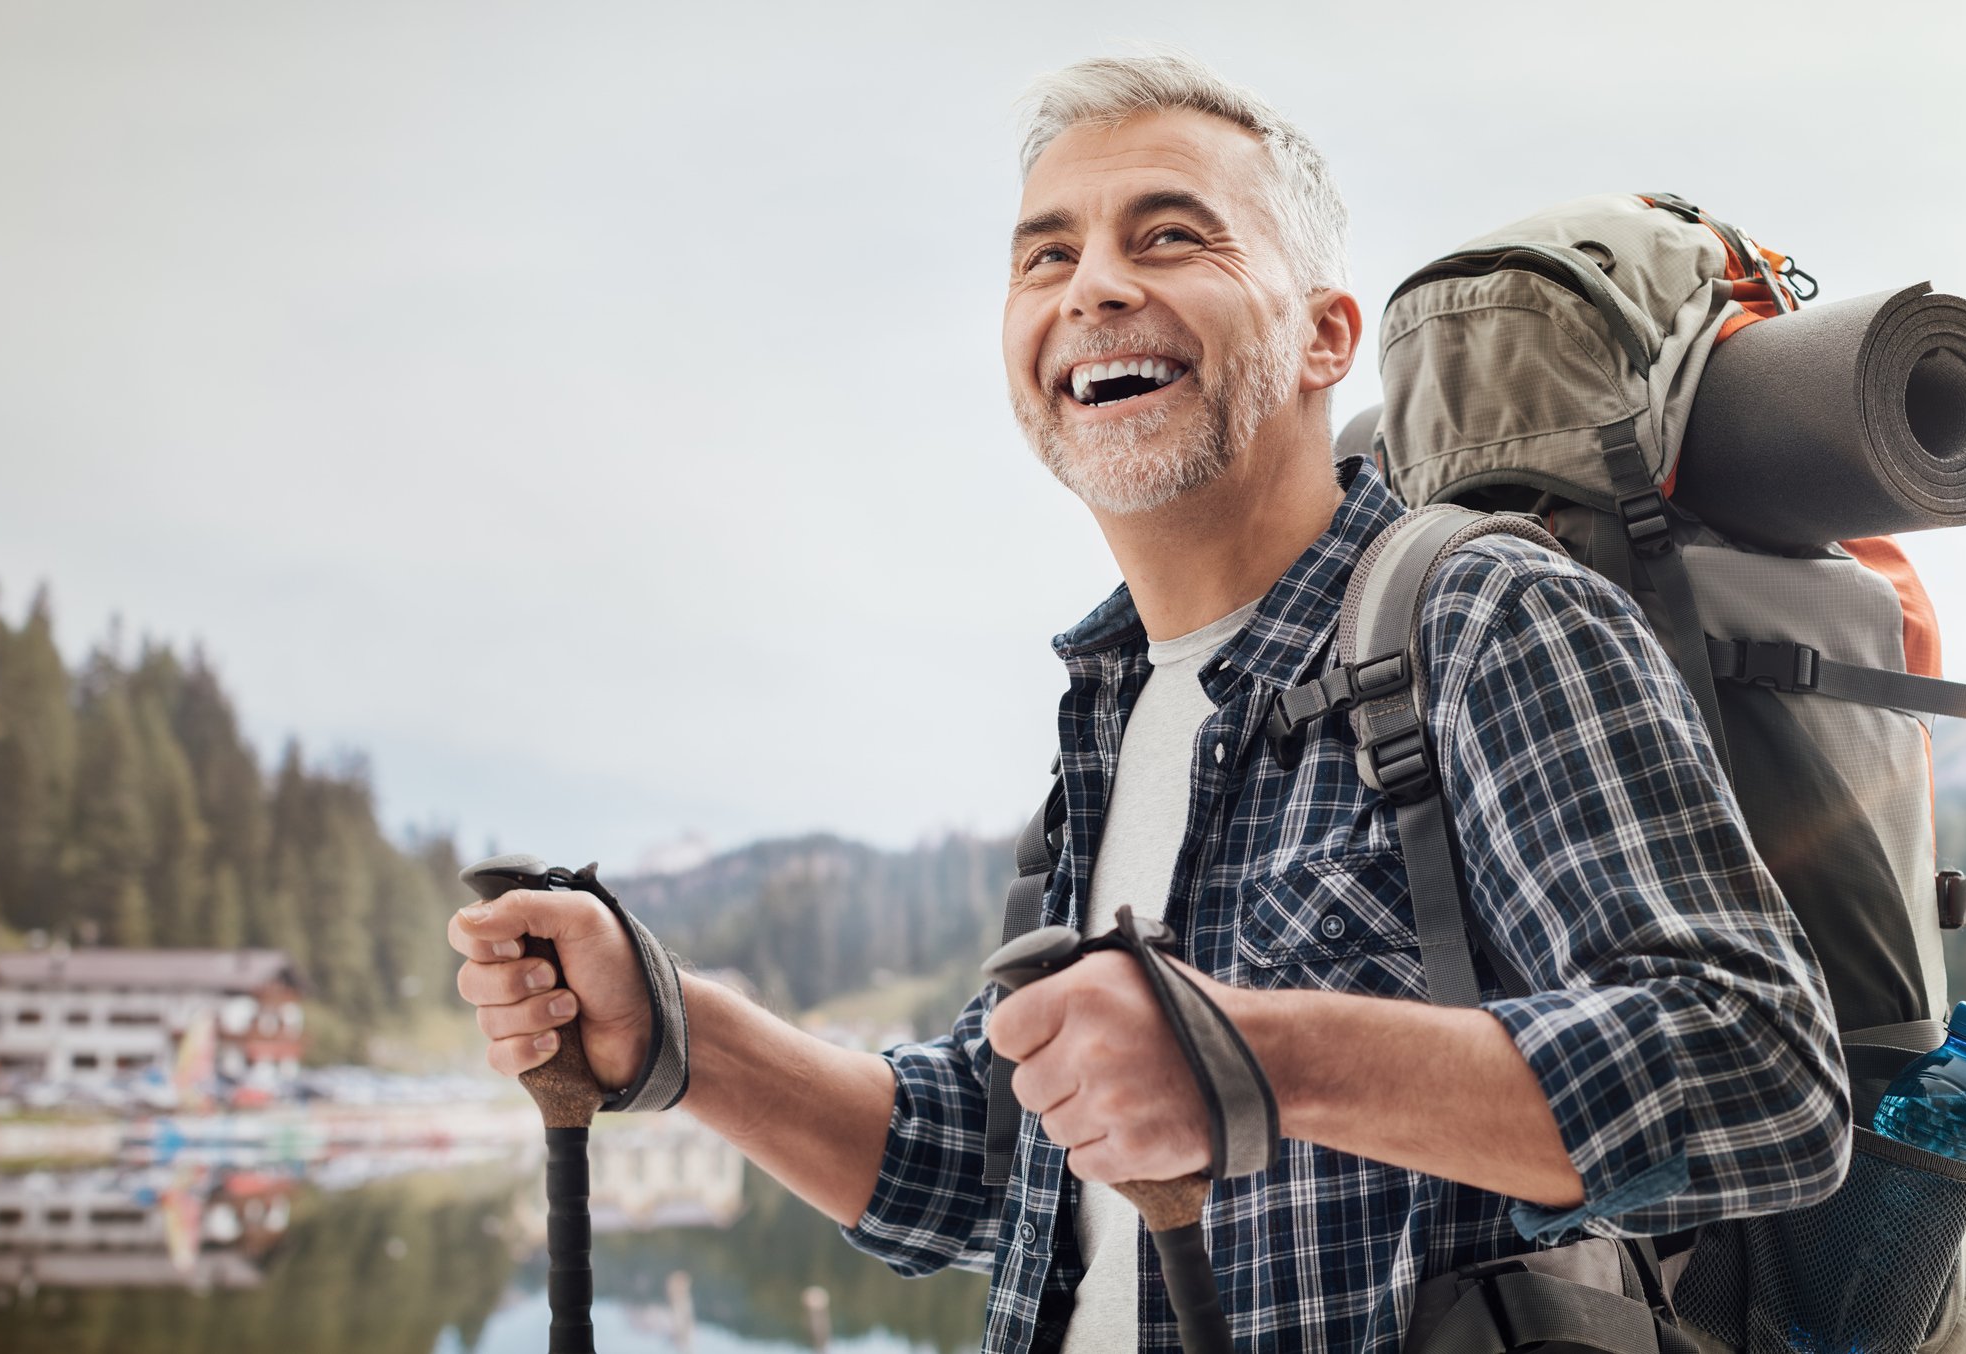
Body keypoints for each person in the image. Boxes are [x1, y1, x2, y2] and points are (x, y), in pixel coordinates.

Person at [448, 52, 1851, 1353]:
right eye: (1045, 254)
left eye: (1170, 236)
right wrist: (678, 1033)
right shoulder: (1112, 711)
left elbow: (1764, 1075)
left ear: (1323, 337)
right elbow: (997, 1171)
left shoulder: (1483, 616)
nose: (1093, 288)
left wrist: (1257, 1058)